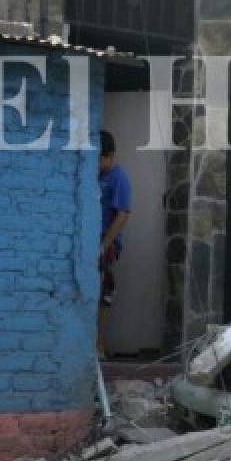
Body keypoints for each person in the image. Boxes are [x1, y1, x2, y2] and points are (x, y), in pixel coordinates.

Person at [99, 130, 132, 355]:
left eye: (99, 159)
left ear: (110, 156)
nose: (96, 164)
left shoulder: (119, 178)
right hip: (92, 242)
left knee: (102, 294)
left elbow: (123, 214)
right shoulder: (96, 176)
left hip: (106, 245)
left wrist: (105, 243)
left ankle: (98, 345)